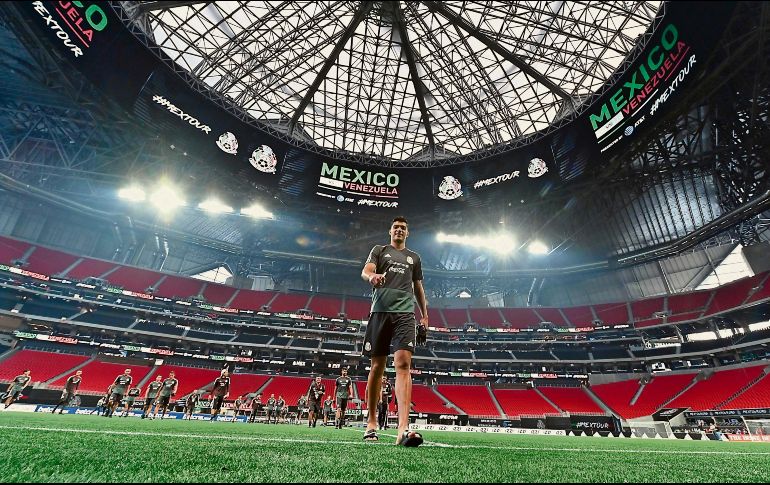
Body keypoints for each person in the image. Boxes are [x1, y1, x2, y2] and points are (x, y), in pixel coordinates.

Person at [360, 216, 428, 446]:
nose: (399, 230)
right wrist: (373, 277)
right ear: (390, 231)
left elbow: (418, 287)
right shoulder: (379, 250)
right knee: (377, 366)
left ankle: (403, 429)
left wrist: (425, 315)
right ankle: (371, 423)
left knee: (403, 365)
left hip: (405, 315)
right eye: (396, 227)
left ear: (407, 233)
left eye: (403, 228)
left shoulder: (414, 258)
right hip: (380, 312)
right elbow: (366, 271)